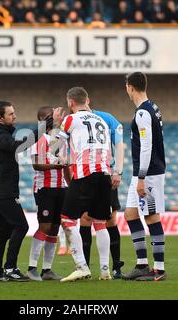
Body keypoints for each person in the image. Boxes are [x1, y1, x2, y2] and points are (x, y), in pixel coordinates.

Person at [53, 87, 113, 282]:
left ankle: (81, 267)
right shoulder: (102, 121)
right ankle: (105, 270)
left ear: (70, 103)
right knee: (100, 222)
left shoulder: (70, 119)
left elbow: (58, 148)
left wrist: (56, 124)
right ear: (87, 100)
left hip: (85, 173)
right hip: (104, 173)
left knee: (67, 218)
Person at [122, 72, 167, 281]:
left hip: (147, 174)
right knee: (130, 214)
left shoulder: (142, 113)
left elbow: (146, 146)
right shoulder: (153, 108)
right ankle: (141, 264)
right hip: (142, 173)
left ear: (130, 87)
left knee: (151, 216)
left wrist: (141, 177)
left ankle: (159, 269)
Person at [78, 104, 125, 279]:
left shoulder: (106, 118)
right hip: (84, 175)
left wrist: (118, 171)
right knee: (85, 218)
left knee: (110, 220)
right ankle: (85, 267)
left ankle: (116, 266)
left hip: (105, 173)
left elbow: (119, 143)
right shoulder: (73, 119)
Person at [0, 101, 30, 282]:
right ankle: (10, 268)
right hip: (2, 192)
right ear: (0, 118)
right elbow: (18, 146)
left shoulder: (2, 133)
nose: (15, 116)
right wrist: (44, 127)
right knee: (21, 226)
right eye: (11, 114)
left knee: (3, 232)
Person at [26, 106, 68, 281]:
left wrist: (71, 185)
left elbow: (65, 164)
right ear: (44, 119)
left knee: (54, 229)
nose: (56, 118)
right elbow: (36, 165)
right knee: (44, 226)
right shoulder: (37, 139)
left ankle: (47, 270)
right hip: (45, 188)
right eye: (52, 116)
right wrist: (55, 166)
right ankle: (31, 267)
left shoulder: (59, 138)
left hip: (61, 188)